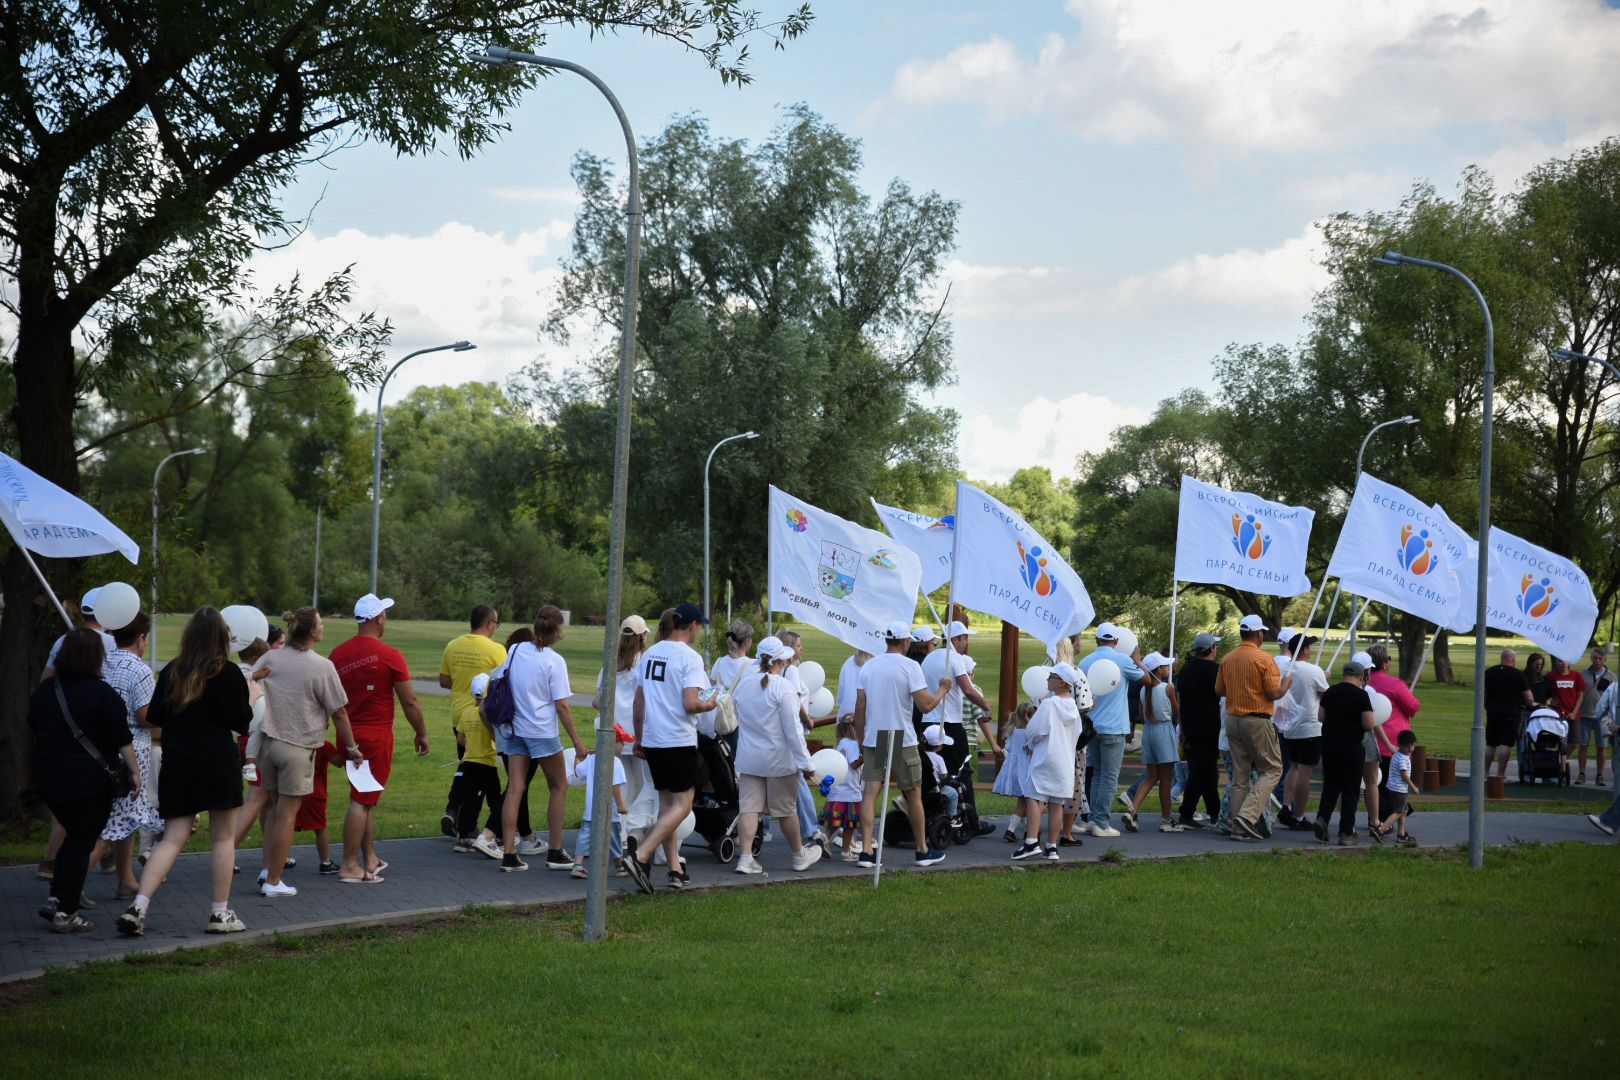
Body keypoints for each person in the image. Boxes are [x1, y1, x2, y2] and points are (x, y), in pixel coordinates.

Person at [117, 608, 254, 936]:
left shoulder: (172, 672)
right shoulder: (229, 673)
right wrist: (253, 696)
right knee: (222, 838)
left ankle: (139, 905)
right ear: (223, 637)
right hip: (217, 763)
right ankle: (219, 913)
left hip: (178, 763)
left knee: (172, 838)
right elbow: (242, 721)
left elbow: (158, 715)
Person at [30, 628, 139, 933]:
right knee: (82, 841)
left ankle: (56, 897)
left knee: (71, 836)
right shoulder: (103, 695)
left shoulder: (46, 691)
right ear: (95, 658)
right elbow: (122, 738)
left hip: (51, 778)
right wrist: (135, 771)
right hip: (90, 782)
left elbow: (34, 725)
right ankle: (67, 911)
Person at [253, 607, 362, 891]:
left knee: (275, 812)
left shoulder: (270, 657)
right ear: (312, 631)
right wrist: (351, 746)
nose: (324, 627)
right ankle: (274, 880)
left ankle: (267, 870)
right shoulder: (321, 666)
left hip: (268, 744)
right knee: (287, 815)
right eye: (321, 623)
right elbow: (339, 712)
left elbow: (252, 684)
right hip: (298, 748)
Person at [329, 593, 429, 882]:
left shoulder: (337, 654)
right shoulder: (390, 656)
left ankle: (369, 857)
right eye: (385, 614)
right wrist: (421, 733)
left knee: (365, 797)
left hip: (347, 735)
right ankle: (349, 865)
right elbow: (410, 702)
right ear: (379, 618)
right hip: (375, 739)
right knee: (361, 801)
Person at [623, 602, 719, 892]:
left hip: (653, 739)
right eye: (698, 625)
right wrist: (712, 701)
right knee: (683, 805)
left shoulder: (650, 652)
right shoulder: (689, 658)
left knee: (667, 806)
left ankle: (675, 867)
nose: (699, 630)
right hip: (677, 739)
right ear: (691, 626)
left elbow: (639, 702)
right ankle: (641, 856)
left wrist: (639, 738)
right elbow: (692, 703)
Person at [494, 605, 587, 873]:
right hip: (542, 732)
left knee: (515, 788)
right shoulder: (554, 661)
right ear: (557, 630)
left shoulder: (515, 650)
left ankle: (509, 853)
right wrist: (578, 742)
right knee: (559, 786)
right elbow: (562, 706)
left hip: (515, 729)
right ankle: (556, 851)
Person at [854, 622, 954, 869]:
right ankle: (922, 850)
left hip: (876, 736)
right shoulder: (909, 666)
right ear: (905, 642)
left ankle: (866, 851)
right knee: (913, 795)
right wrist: (943, 689)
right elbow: (926, 705)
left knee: (869, 794)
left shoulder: (869, 666)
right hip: (901, 737)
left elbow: (859, 708)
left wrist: (860, 739)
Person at [732, 636, 822, 875]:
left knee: (749, 809)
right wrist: (806, 763)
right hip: (778, 760)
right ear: (781, 660)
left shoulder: (744, 685)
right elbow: (793, 731)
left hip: (750, 757)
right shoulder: (783, 688)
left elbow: (739, 716)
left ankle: (746, 857)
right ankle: (799, 854)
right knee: (786, 810)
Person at [88, 613, 162, 901]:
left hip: (101, 749)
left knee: (124, 819)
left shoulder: (103, 662)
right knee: (112, 826)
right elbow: (144, 717)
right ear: (141, 638)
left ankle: (125, 879)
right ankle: (65, 891)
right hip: (133, 752)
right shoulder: (140, 670)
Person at [1214, 614, 1292, 841]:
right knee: (1273, 769)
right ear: (1259, 634)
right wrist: (1286, 684)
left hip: (1232, 720)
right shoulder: (1265, 659)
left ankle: (1238, 827)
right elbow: (1274, 693)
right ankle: (1247, 817)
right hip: (1256, 720)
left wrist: (1241, 689)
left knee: (1240, 777)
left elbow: (1219, 690)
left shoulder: (1227, 658)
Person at [925, 619, 1001, 831]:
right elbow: (968, 689)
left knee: (933, 772)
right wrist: (986, 707)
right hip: (950, 722)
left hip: (928, 720)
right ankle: (971, 820)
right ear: (955, 639)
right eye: (964, 638)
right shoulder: (955, 659)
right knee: (962, 770)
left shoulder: (929, 659)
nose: (966, 643)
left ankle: (938, 816)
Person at [1078, 622, 1150, 838]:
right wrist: (1137, 659)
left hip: (1092, 727)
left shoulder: (1085, 661)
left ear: (1097, 639)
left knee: (1098, 773)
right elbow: (1149, 680)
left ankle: (1092, 819)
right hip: (1115, 727)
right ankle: (1101, 822)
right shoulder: (1123, 660)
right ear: (1117, 641)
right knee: (1109, 776)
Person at [439, 605, 505, 839]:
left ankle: (454, 812)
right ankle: (477, 827)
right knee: (480, 771)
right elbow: (506, 683)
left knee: (467, 766)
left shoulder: (452, 645)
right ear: (490, 623)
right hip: (483, 716)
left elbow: (444, 681)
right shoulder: (496, 650)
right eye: (496, 624)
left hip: (459, 717)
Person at [1015, 664, 1087, 861]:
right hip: (1064, 760)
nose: (1048, 678)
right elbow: (1078, 732)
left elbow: (1036, 730)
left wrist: (1030, 744)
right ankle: (1052, 847)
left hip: (1045, 757)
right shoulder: (1073, 706)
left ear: (1062, 682)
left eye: (1052, 676)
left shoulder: (1049, 704)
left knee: (1033, 796)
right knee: (1056, 803)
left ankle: (1031, 841)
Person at [594, 616, 654, 846]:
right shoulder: (644, 662)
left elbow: (597, 701)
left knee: (621, 788)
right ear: (642, 637)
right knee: (644, 786)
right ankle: (633, 833)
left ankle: (616, 837)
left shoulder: (611, 662)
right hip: (639, 732)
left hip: (615, 732)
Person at [1314, 661, 1375, 845]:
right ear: (1360, 676)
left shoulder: (1331, 692)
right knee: (1350, 789)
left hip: (1330, 746)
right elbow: (1369, 724)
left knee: (1331, 786)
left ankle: (1322, 818)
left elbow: (1320, 717)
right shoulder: (1361, 695)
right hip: (1352, 747)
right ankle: (1346, 832)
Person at [1124, 652, 1182, 833]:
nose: (1168, 668)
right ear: (1158, 669)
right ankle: (1166, 819)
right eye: (1165, 666)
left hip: (1149, 731)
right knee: (1165, 779)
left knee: (1151, 775)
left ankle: (1132, 809)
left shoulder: (1143, 690)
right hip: (1164, 731)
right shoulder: (1168, 688)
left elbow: (1141, 716)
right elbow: (1176, 712)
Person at [1276, 635, 1329, 830]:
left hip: (1289, 727)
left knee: (1294, 767)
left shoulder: (1283, 668)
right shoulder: (1314, 670)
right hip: (1310, 727)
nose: (1312, 650)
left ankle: (1286, 805)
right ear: (1304, 649)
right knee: (1305, 772)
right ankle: (1299, 816)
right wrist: (1324, 677)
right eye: (1310, 647)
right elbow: (1325, 695)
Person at [1365, 645, 1420, 814]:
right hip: (1392, 742)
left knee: (1372, 783)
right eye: (1389, 659)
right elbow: (1413, 707)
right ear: (1384, 662)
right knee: (1391, 785)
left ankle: (1376, 817)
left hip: (1368, 740)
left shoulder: (1364, 682)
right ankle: (1387, 818)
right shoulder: (1394, 684)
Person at [1175, 633, 1222, 829]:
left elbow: (1180, 698)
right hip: (1209, 725)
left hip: (1190, 725)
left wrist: (1182, 726)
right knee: (1201, 771)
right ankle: (1186, 812)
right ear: (1211, 648)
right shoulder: (1216, 670)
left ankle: (1215, 811)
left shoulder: (1186, 669)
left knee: (1207, 770)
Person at [570, 733, 629, 880]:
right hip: (610, 810)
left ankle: (577, 865)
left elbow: (578, 771)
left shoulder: (591, 760)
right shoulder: (616, 762)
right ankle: (619, 865)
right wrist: (620, 804)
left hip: (591, 810)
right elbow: (615, 784)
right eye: (622, 742)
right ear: (613, 743)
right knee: (614, 837)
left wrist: (579, 757)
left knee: (585, 836)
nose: (624, 746)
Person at [1483, 648, 1534, 780]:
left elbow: (1483, 692)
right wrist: (1531, 704)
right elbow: (1529, 698)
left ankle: (1484, 773)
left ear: (1501, 658)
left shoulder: (1489, 672)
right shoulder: (1518, 675)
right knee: (1505, 743)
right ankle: (1500, 774)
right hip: (1510, 713)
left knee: (1491, 742)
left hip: (1492, 711)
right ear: (1513, 660)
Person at [820, 717, 864, 861]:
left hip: (837, 789)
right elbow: (854, 764)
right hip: (850, 790)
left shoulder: (839, 744)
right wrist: (866, 755)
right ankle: (846, 851)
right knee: (850, 824)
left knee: (835, 821)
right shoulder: (853, 745)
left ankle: (824, 837)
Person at [993, 702, 1035, 841]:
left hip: (1013, 768)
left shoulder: (1012, 730)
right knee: (1028, 801)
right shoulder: (1030, 733)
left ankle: (1028, 828)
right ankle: (1012, 830)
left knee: (1023, 801)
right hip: (1026, 769)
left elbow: (1009, 748)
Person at [1543, 656, 1586, 773]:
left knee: (1575, 741)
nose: (1563, 663)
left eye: (1565, 660)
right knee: (1555, 740)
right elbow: (1544, 692)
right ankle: (1558, 762)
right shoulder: (1550, 676)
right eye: (1560, 661)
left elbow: (1580, 695)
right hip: (1557, 715)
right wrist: (1550, 700)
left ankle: (1561, 758)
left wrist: (1574, 712)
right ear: (1556, 662)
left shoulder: (1576, 675)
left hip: (1572, 715)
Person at [1377, 729, 1419, 846]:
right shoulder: (1403, 758)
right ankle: (1381, 830)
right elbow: (1404, 774)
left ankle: (1401, 835)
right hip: (1400, 789)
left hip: (1392, 788)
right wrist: (1413, 787)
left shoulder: (1396, 754)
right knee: (1398, 811)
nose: (1413, 747)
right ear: (1407, 746)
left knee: (1404, 810)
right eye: (1411, 745)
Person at [1577, 647, 1611, 785]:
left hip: (1602, 718)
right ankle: (1581, 773)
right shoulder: (1582, 675)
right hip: (1584, 715)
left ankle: (1600, 775)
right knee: (1583, 745)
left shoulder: (1611, 677)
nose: (1597, 661)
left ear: (1604, 659)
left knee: (1601, 746)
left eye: (1600, 658)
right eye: (1595, 658)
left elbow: (1613, 698)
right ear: (1591, 658)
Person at [922, 724, 958, 819]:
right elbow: (943, 775)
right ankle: (951, 816)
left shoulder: (921, 756)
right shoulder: (939, 759)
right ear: (939, 746)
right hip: (935, 788)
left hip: (922, 787)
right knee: (953, 793)